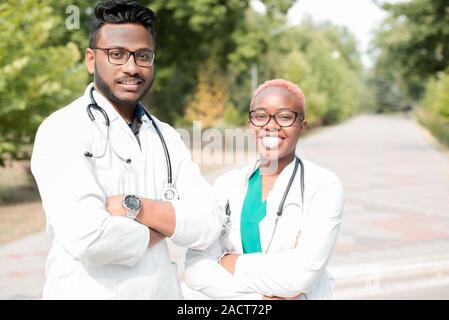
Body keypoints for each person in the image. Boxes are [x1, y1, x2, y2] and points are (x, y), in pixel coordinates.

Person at [30, 0, 222, 299]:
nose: (132, 67)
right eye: (117, 55)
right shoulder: (63, 129)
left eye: (143, 56)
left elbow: (209, 223)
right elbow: (89, 239)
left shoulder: (166, 136)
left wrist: (136, 208)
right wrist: (168, 227)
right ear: (91, 60)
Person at [184, 79, 344, 300]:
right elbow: (195, 270)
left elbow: (301, 276)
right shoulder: (225, 185)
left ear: (302, 127)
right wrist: (259, 300)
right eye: (260, 116)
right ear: (251, 125)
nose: (271, 125)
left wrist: (228, 260)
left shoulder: (323, 186)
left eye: (285, 116)